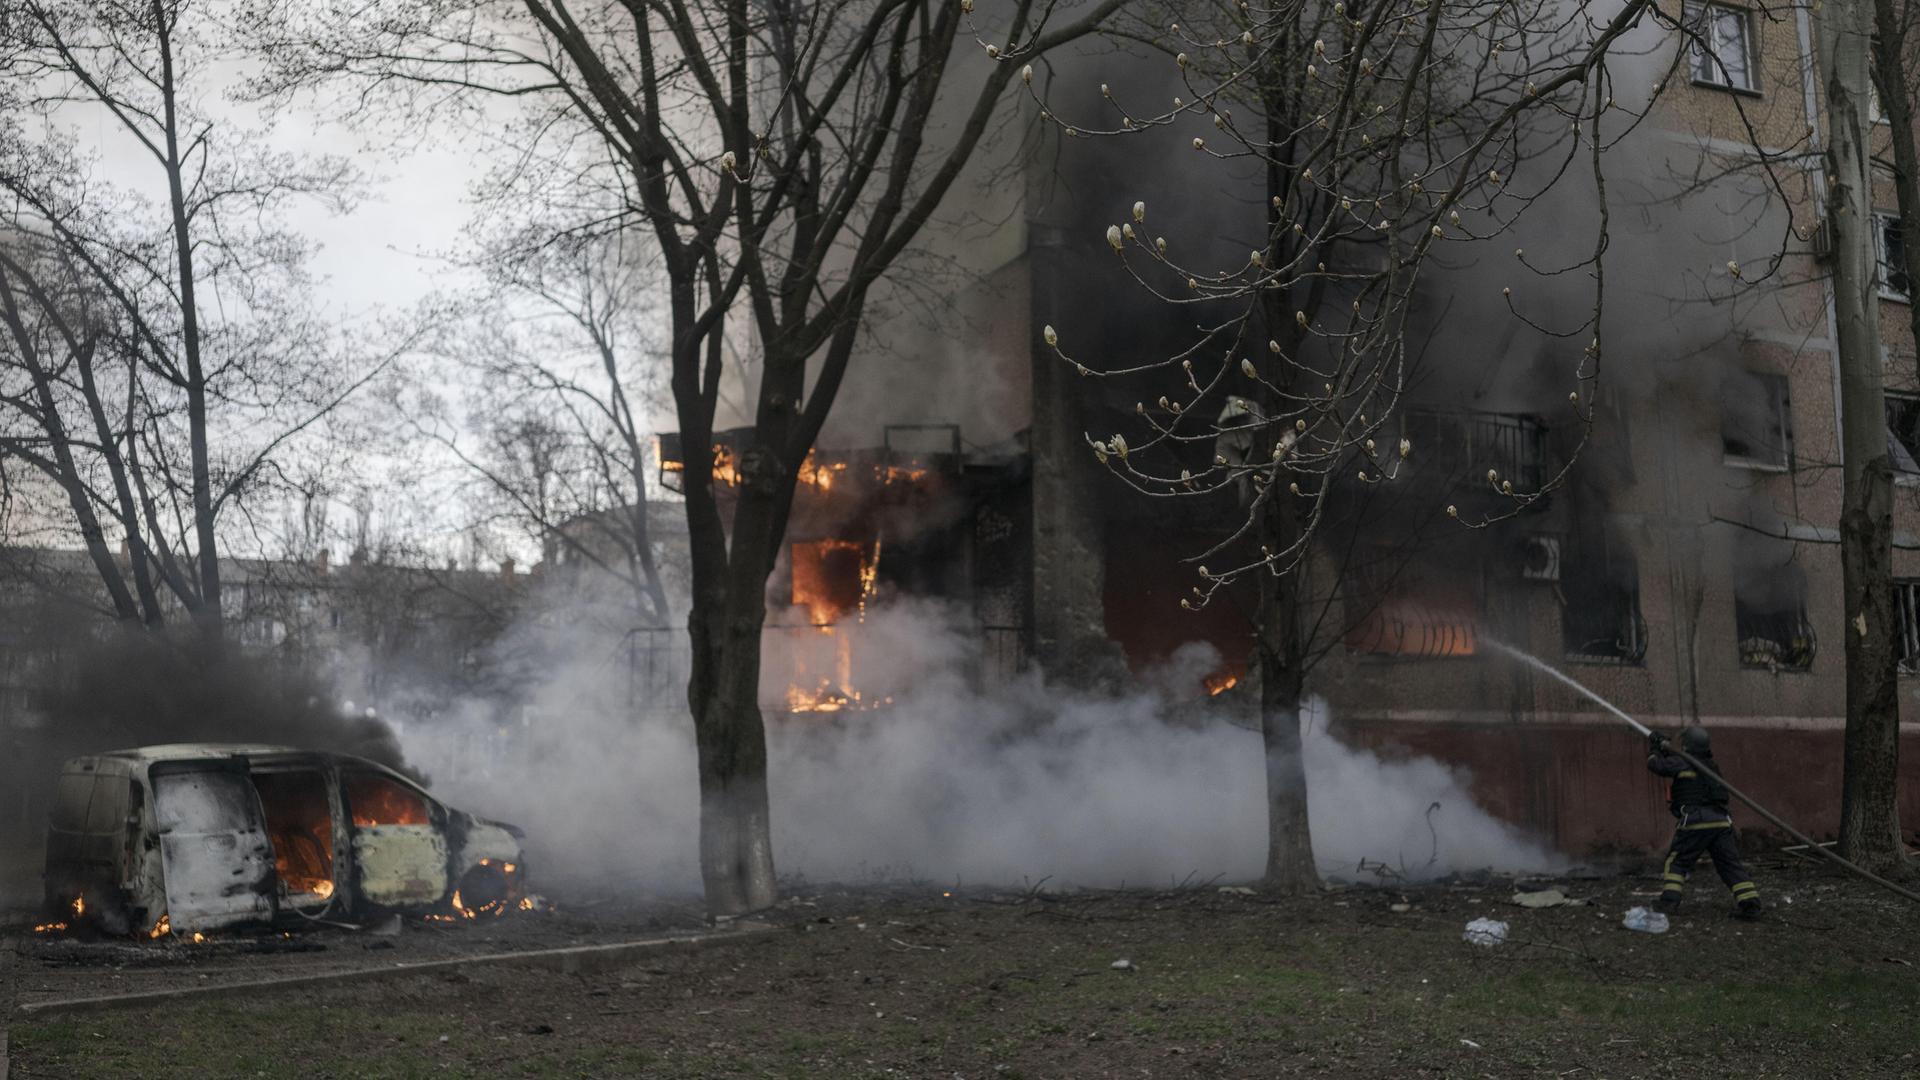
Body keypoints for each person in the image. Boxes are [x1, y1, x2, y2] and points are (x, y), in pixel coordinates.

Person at [1647, 725, 1761, 919]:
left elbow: (1656, 765)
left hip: (1696, 821)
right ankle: (1750, 904)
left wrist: (1655, 749)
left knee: (1678, 862)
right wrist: (1666, 749)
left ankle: (1669, 902)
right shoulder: (1711, 766)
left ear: (1687, 746)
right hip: (1721, 823)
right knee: (1729, 865)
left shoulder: (1684, 762)